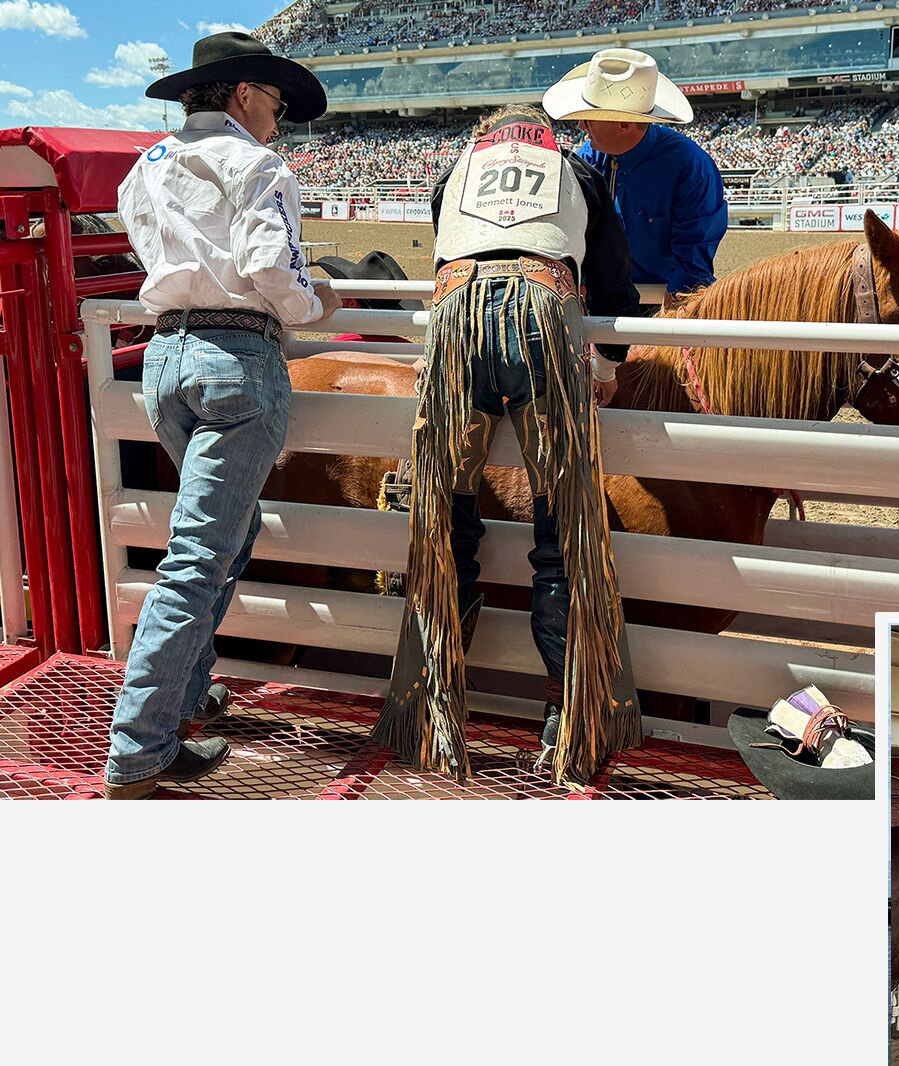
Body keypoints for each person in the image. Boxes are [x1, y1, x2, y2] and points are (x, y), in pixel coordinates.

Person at [372, 103, 645, 788]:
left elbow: (443, 252)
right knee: (565, 528)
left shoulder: (454, 174)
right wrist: (605, 367)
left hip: (456, 316)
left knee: (442, 526)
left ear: (487, 140)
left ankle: (432, 716)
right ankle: (571, 718)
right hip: (542, 316)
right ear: (541, 138)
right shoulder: (577, 171)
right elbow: (615, 288)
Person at [105, 32, 339, 799]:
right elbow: (272, 268)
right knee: (200, 559)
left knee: (219, 542)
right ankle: (139, 746)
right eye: (273, 104)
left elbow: (147, 245)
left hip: (166, 361)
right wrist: (315, 303)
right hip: (236, 360)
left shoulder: (147, 165)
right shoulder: (258, 164)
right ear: (243, 94)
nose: (278, 120)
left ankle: (179, 696)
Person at [547, 48, 728, 305]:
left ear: (624, 123)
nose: (580, 126)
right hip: (602, 298)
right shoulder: (588, 158)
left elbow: (693, 258)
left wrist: (673, 313)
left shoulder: (690, 167)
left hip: (665, 303)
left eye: (588, 118)